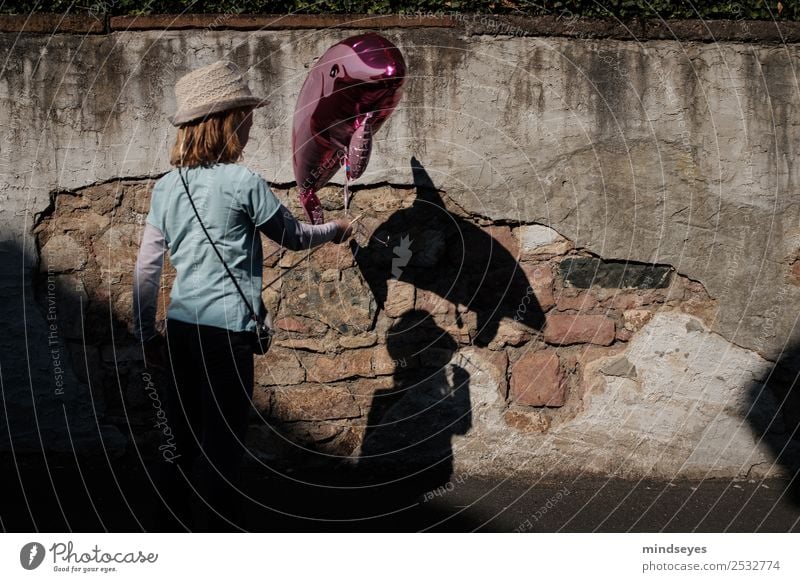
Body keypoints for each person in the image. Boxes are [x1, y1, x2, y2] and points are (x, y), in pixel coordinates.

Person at [132, 60, 352, 531]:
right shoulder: (244, 182)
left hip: (180, 331)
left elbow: (147, 266)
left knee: (179, 440)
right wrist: (334, 229)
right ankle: (217, 535)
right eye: (246, 116)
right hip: (226, 335)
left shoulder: (166, 188)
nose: (251, 125)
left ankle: (162, 532)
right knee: (223, 444)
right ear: (227, 123)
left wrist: (144, 333)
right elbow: (292, 237)